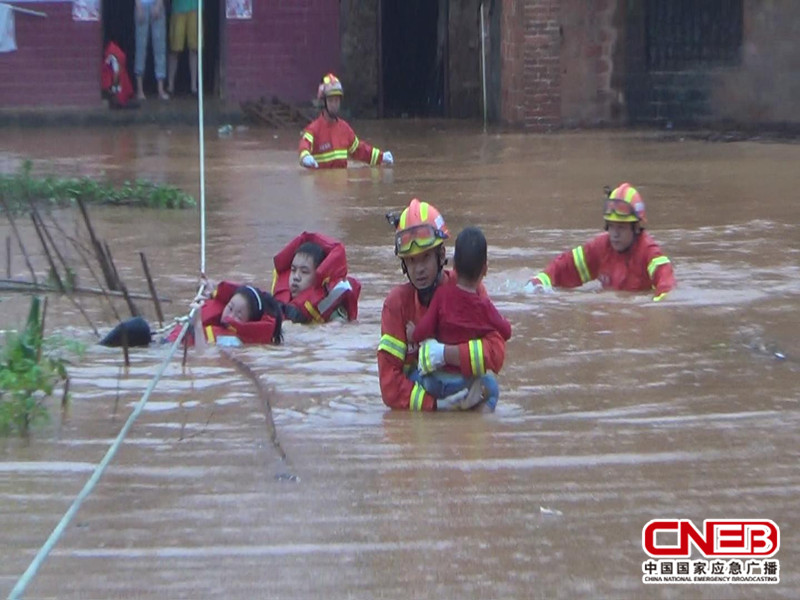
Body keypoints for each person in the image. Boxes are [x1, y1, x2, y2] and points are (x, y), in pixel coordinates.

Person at [377, 198, 508, 412]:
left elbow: (496, 352)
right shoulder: (396, 305)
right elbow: (389, 385)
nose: (418, 269)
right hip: (424, 394)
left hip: (465, 387)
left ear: (441, 255)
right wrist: (436, 406)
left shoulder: (468, 289)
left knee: (489, 390)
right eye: (411, 260)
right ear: (403, 264)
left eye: (425, 257)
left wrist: (446, 354)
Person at [406, 226, 512, 411]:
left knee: (411, 376)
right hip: (465, 382)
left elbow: (424, 329)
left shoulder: (441, 296)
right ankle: (476, 419)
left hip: (435, 383)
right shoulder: (485, 306)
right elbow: (506, 332)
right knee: (492, 389)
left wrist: (413, 334)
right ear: (485, 270)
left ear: (453, 265)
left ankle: (444, 408)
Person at [525, 182, 676, 301]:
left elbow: (666, 289)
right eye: (611, 226)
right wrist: (539, 281)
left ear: (636, 227)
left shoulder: (650, 253)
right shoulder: (600, 247)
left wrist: (656, 310)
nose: (615, 234)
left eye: (621, 228)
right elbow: (564, 267)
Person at [101, 282, 283, 348]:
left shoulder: (233, 341)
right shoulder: (219, 319)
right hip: (161, 343)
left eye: (239, 315)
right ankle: (99, 348)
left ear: (247, 323)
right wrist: (208, 289)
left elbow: (203, 356)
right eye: (230, 307)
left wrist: (196, 325)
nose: (230, 314)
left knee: (138, 327)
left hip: (164, 351)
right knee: (139, 326)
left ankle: (98, 350)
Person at [298, 73, 394, 169]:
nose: (335, 104)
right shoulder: (313, 130)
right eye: (331, 100)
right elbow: (304, 145)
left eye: (337, 100)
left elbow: (360, 150)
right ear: (323, 102)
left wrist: (381, 157)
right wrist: (305, 157)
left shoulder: (344, 129)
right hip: (322, 183)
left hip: (342, 183)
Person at [270, 232, 361, 323]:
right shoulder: (277, 302)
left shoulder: (332, 312)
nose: (296, 277)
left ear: (319, 278)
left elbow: (340, 329)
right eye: (293, 270)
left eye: (304, 272)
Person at [134, 0, 169, 101]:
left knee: (160, 47)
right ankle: (140, 90)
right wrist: (139, 7)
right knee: (140, 47)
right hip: (142, 5)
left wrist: (159, 4)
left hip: (157, 4)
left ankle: (160, 89)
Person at [168, 0, 198, 96]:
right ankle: (170, 85)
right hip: (178, 7)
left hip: (195, 7)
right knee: (174, 49)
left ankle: (194, 86)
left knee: (194, 48)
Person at [101, 41, 136, 109]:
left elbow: (116, 74)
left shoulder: (112, 55)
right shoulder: (113, 51)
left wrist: (114, 92)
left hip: (119, 88)